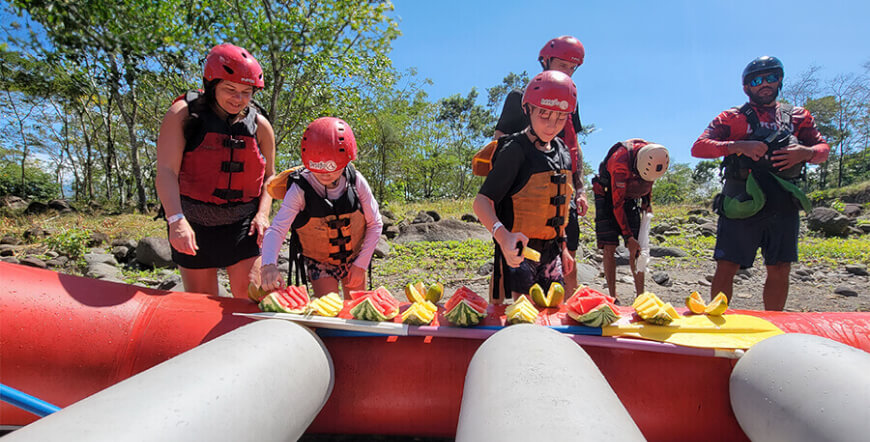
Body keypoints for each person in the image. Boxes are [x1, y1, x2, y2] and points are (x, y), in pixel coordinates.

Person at [692, 56, 829, 311]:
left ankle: (774, 323)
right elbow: (699, 147)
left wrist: (805, 153)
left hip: (783, 199)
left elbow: (823, 150)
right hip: (740, 197)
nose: (764, 84)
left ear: (780, 80)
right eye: (756, 80)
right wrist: (737, 146)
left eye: (771, 77)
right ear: (746, 87)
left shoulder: (799, 117)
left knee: (780, 265)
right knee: (727, 263)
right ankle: (715, 318)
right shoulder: (732, 117)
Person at [156, 43, 276, 299]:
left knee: (253, 299)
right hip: (195, 223)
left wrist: (263, 215)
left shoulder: (260, 125)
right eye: (230, 89)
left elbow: (271, 178)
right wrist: (176, 221)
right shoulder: (184, 115)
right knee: (204, 303)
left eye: (246, 92)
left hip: (243, 226)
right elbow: (166, 171)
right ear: (212, 85)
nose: (238, 99)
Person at [492, 35, 588, 298]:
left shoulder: (570, 101)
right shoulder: (519, 98)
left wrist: (579, 188)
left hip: (560, 187)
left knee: (566, 257)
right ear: (545, 62)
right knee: (512, 270)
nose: (567, 72)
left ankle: (567, 314)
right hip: (523, 195)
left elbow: (572, 145)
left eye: (572, 67)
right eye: (561, 64)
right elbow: (499, 144)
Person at [474, 70, 577, 304]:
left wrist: (564, 248)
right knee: (520, 319)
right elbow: (481, 202)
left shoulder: (562, 151)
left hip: (552, 254)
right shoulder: (514, 150)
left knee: (550, 314)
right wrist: (502, 235)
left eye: (560, 118)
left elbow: (560, 203)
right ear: (528, 109)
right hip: (517, 255)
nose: (552, 125)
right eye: (544, 114)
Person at [259, 117, 383, 297]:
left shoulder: (356, 181)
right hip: (320, 262)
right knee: (327, 309)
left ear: (346, 159)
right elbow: (278, 229)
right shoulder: (299, 189)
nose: (325, 174)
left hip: (355, 257)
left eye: (332, 168)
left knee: (356, 311)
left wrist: (361, 264)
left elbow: (375, 223)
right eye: (318, 168)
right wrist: (268, 264)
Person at [592, 139, 669, 301]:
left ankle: (640, 296)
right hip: (607, 195)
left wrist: (647, 203)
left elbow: (650, 180)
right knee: (609, 246)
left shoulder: (656, 154)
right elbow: (617, 205)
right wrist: (628, 237)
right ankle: (613, 296)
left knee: (638, 249)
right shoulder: (620, 161)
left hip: (631, 196)